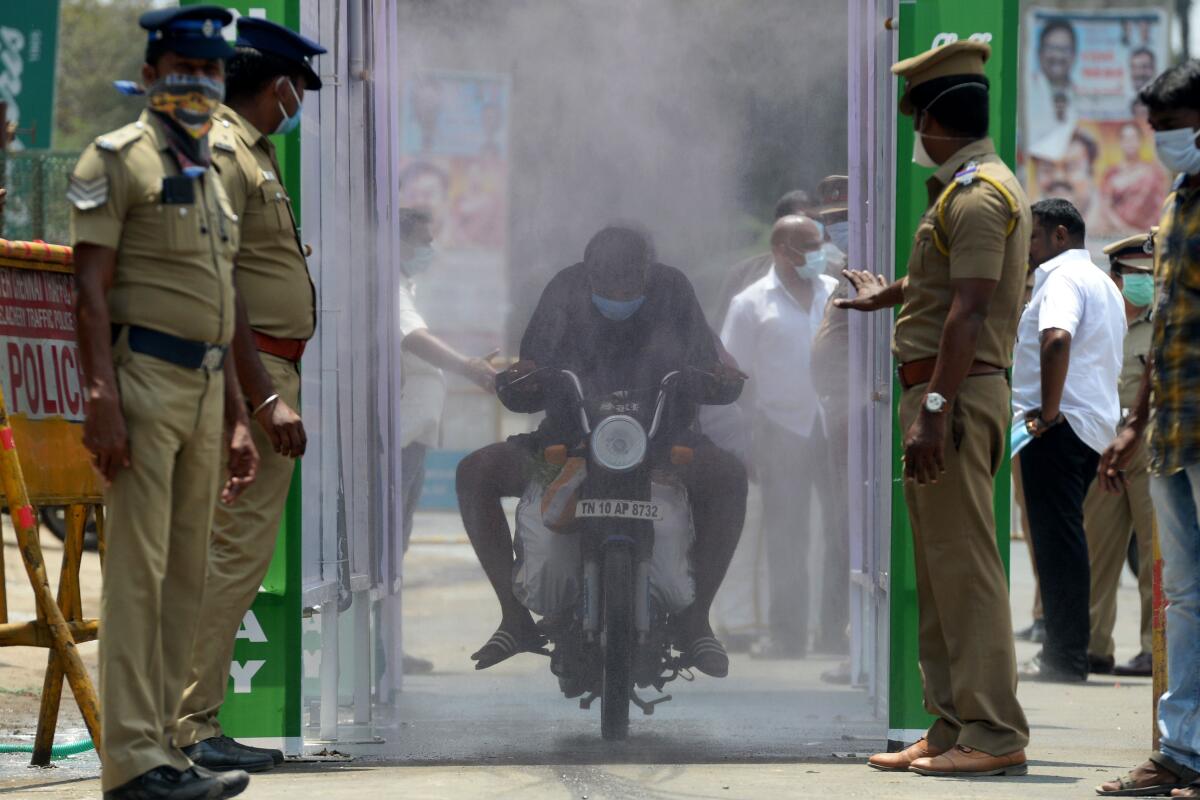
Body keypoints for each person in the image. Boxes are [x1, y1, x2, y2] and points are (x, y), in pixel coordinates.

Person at [69, 7, 256, 799]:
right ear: (150, 75)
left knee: (185, 575)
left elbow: (225, 296)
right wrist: (99, 395)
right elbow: (88, 289)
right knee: (138, 579)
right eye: (184, 66)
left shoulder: (213, 166)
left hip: (208, 389)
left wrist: (242, 414)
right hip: (142, 381)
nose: (199, 82)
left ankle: (168, 753)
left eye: (211, 71)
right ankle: (132, 764)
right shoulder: (116, 159)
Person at [839, 40, 1031, 777]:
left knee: (968, 566)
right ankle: (952, 724)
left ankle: (993, 730)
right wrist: (892, 294)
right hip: (938, 389)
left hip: (956, 391)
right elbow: (947, 289)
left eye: (919, 116)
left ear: (940, 122)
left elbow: (972, 312)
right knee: (939, 565)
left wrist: (936, 410)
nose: (915, 132)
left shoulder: (980, 195)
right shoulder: (961, 193)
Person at [456, 225, 747, 678]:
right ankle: (514, 618)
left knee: (728, 475)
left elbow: (707, 364)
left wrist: (718, 380)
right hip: (565, 446)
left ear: (648, 273)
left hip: (666, 446)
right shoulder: (563, 290)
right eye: (603, 282)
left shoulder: (673, 289)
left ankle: (696, 620)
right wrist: (520, 381)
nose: (615, 291)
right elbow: (529, 377)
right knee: (475, 470)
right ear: (586, 272)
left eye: (627, 282)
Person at [169, 17, 325, 775]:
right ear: (277, 86)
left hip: (259, 368)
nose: (297, 104)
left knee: (221, 555)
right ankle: (189, 727)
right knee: (230, 558)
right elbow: (217, 279)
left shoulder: (246, 149)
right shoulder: (229, 149)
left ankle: (188, 720)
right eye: (296, 90)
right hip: (249, 373)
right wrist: (261, 402)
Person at [1097, 60, 1200, 799]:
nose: (1162, 141)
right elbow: (1163, 329)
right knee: (1184, 598)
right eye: (1155, 129)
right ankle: (1182, 752)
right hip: (1171, 429)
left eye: (1173, 128)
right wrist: (1134, 423)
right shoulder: (1176, 205)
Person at [1012, 198, 1125, 683]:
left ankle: (1065, 656)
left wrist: (1049, 412)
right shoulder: (1102, 281)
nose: (1028, 247)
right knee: (1065, 539)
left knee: (1057, 543)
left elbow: (1056, 339)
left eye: (1033, 237)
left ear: (1060, 235)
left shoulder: (1060, 277)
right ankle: (1068, 651)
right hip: (1090, 426)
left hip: (1059, 426)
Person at [720, 215, 839, 659]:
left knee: (840, 532)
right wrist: (744, 441)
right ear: (783, 251)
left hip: (832, 427)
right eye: (809, 245)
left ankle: (834, 632)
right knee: (786, 536)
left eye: (819, 243)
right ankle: (788, 635)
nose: (819, 251)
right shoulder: (751, 304)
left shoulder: (834, 291)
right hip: (780, 430)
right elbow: (735, 382)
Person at [396, 205, 499, 672]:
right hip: (395, 439)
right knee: (388, 544)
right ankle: (381, 653)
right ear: (396, 242)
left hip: (411, 436)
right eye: (422, 239)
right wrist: (469, 367)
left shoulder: (406, 285)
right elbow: (412, 338)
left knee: (396, 544)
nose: (429, 249)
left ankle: (387, 650)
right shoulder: (388, 286)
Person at [1084, 232, 1157, 678]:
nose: (1144, 285)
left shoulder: (1164, 323)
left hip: (1147, 439)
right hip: (1102, 440)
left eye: (1150, 277)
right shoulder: (1098, 319)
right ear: (1115, 277)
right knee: (1097, 548)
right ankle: (1092, 646)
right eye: (1135, 276)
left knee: (1154, 550)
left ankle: (1154, 648)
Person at [713, 189, 817, 326]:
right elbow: (720, 334)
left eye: (817, 221)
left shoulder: (836, 276)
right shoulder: (744, 275)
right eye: (802, 222)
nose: (810, 228)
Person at [1027, 18, 1079, 161]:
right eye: (1051, 48)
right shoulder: (1026, 92)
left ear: (1074, 55)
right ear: (1039, 53)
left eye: (1064, 49)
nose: (1057, 56)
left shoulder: (1082, 95)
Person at [1101, 122, 1168, 231]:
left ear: (1140, 141)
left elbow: (1160, 204)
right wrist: (1125, 230)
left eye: (1133, 138)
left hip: (1148, 235)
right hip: (1119, 235)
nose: (1129, 143)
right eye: (1125, 138)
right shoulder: (1112, 173)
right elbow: (1106, 208)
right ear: (1120, 142)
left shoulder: (1152, 172)